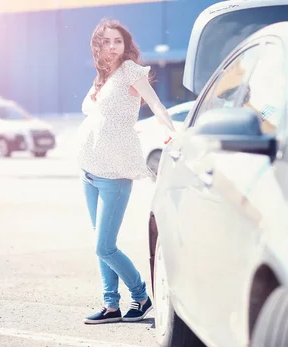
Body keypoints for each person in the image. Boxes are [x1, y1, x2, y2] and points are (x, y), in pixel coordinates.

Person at [78, 18, 175, 324]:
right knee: (102, 246)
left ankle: (142, 296)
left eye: (117, 41)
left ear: (126, 44)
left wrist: (170, 132)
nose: (112, 46)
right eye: (105, 41)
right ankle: (110, 305)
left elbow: (156, 105)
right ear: (97, 45)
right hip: (89, 168)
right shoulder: (102, 77)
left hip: (114, 172)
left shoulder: (131, 71)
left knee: (104, 245)